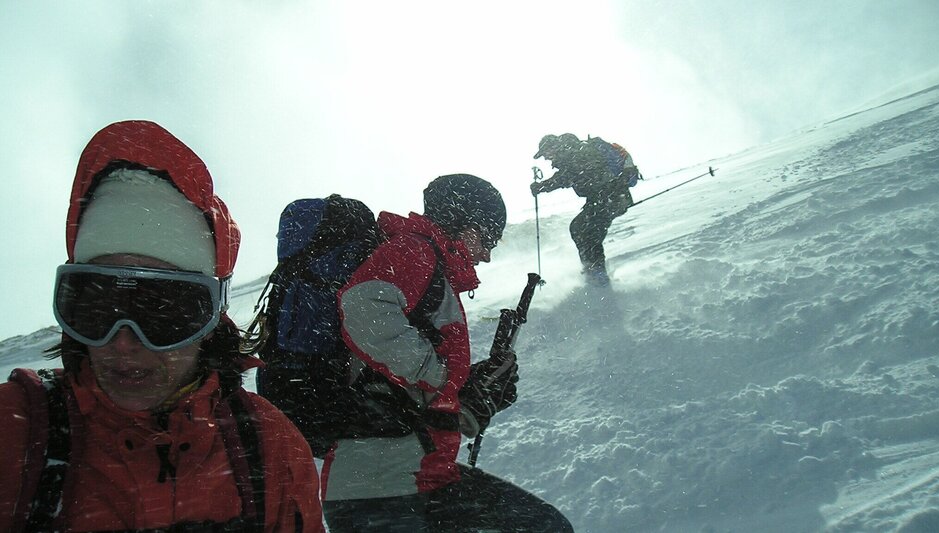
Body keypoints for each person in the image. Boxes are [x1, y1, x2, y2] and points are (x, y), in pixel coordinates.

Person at [0, 120, 324, 532]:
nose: (123, 343)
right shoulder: (15, 433)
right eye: (96, 306)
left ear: (209, 320)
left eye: (163, 311)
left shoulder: (270, 448)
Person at [321, 174, 572, 531]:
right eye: (489, 240)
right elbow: (363, 309)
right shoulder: (414, 251)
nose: (487, 254)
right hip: (382, 491)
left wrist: (473, 396)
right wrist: (446, 379)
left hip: (413, 479)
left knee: (546, 525)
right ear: (468, 228)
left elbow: (407, 394)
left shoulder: (432, 272)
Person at [531, 133, 641, 284]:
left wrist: (543, 186)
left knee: (587, 232)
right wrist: (544, 186)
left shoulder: (575, 153)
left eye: (546, 154)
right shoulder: (573, 154)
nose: (546, 158)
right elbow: (569, 176)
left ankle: (597, 276)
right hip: (605, 199)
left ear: (553, 147)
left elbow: (567, 177)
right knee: (580, 229)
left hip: (611, 197)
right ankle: (593, 271)